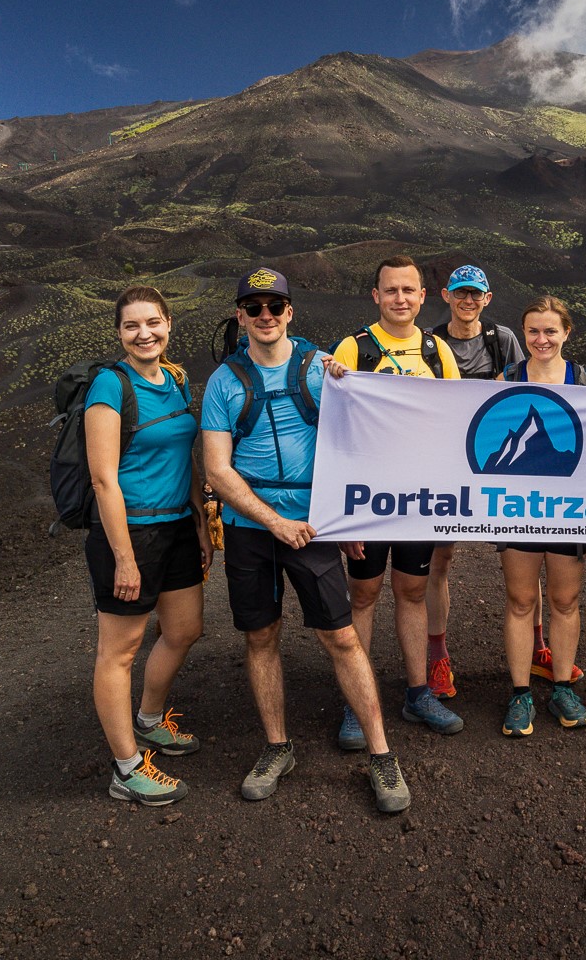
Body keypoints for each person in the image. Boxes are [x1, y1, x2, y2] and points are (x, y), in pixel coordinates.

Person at [200, 268, 412, 813]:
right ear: (240, 315)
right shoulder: (224, 382)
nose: (265, 316)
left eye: (275, 307)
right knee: (260, 637)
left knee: (341, 637)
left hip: (313, 527)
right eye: (254, 307)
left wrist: (347, 522)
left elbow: (359, 437)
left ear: (290, 311)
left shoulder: (320, 369)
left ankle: (381, 754)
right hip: (256, 530)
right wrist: (275, 523)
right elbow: (218, 471)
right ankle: (277, 747)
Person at [330, 256, 466, 743]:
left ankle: (416, 693)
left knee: (411, 592)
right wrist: (344, 517)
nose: (401, 299)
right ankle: (356, 702)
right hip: (369, 499)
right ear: (376, 296)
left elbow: (456, 420)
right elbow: (334, 428)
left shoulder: (437, 350)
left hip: (420, 496)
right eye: (391, 291)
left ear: (423, 296)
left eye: (409, 290)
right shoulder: (354, 347)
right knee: (362, 597)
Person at [85, 286, 209, 805]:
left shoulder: (176, 379)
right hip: (129, 532)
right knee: (120, 651)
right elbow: (103, 479)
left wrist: (201, 521)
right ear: (119, 333)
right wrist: (124, 558)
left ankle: (150, 720)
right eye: (132, 326)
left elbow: (188, 455)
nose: (145, 334)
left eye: (153, 323)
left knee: (184, 629)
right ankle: (126, 767)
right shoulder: (109, 387)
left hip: (179, 524)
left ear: (169, 324)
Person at [422, 264, 526, 701]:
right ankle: (437, 656)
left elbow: (528, 389)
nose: (468, 301)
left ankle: (536, 645)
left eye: (476, 295)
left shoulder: (501, 341)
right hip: (445, 464)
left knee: (524, 554)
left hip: (496, 461)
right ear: (445, 295)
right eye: (461, 293)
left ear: (487, 298)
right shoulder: (426, 344)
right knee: (440, 559)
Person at [496, 297, 586, 737]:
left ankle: (560, 685)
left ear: (566, 333)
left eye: (550, 331)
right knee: (520, 600)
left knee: (564, 600)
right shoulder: (507, 379)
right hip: (517, 507)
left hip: (567, 508)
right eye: (533, 331)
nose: (541, 340)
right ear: (524, 335)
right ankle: (520, 693)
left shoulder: (583, 379)